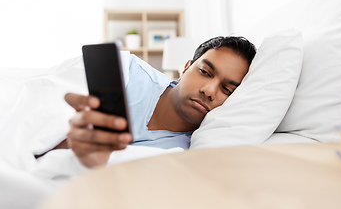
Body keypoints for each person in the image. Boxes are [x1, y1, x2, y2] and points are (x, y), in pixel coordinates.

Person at [62, 36, 256, 168]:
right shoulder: (128, 71)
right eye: (205, 72)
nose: (209, 91)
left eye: (227, 90)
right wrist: (67, 141)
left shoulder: (190, 150)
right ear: (186, 68)